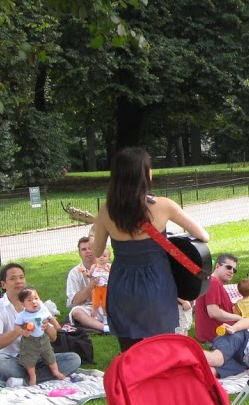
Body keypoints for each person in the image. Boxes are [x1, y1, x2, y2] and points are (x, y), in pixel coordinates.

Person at [89, 147, 211, 352]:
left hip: (122, 285)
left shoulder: (106, 210)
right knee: (163, 348)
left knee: (129, 352)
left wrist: (95, 230)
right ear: (144, 174)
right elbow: (203, 236)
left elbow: (98, 250)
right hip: (156, 285)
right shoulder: (164, 206)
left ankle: (133, 382)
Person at [0, 262, 81, 384]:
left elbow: (53, 337)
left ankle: (24, 379)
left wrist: (47, 327)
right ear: (3, 284)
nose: (19, 281)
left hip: (39, 357)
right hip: (12, 359)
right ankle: (34, 376)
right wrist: (19, 330)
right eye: (13, 279)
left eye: (21, 277)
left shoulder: (37, 305)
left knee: (73, 359)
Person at [194, 254, 249, 343]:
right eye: (228, 267)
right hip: (218, 336)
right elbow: (214, 313)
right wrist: (239, 318)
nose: (232, 271)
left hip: (224, 332)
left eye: (234, 270)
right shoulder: (213, 283)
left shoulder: (213, 282)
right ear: (217, 266)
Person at [13, 287, 66, 386]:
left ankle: (55, 371)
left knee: (50, 356)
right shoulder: (22, 315)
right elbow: (16, 326)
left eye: (36, 298)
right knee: (30, 360)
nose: (34, 302)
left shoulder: (43, 310)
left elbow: (50, 318)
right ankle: (33, 377)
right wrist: (23, 332)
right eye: (30, 300)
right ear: (23, 304)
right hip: (30, 341)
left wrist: (57, 326)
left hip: (44, 339)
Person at [65, 236, 108, 332]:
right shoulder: (74, 273)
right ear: (80, 253)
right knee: (76, 312)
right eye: (84, 249)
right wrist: (91, 285)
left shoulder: (108, 267)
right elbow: (75, 301)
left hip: (108, 304)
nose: (88, 251)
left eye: (90, 248)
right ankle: (105, 328)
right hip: (87, 308)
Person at [88, 250, 111, 327]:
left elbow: (114, 275)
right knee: (95, 304)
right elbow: (89, 274)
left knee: (105, 305)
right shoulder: (94, 266)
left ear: (108, 258)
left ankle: (105, 319)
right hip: (97, 288)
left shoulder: (109, 266)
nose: (101, 257)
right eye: (99, 256)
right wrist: (86, 273)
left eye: (104, 256)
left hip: (106, 289)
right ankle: (94, 318)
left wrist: (108, 271)